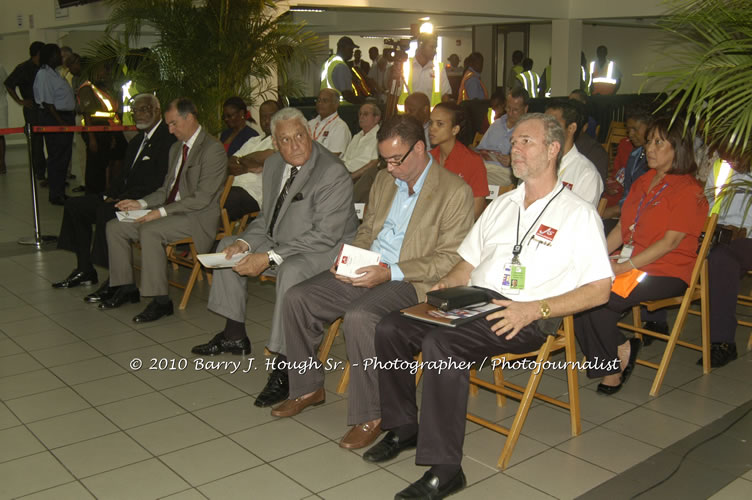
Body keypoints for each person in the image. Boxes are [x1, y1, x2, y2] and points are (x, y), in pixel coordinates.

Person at [366, 113, 613, 499]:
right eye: (513, 142)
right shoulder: (503, 204)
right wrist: (447, 284)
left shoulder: (577, 214)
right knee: (391, 327)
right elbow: (467, 262)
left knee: (441, 347)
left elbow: (600, 290)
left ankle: (445, 469)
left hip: (526, 313)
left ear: (553, 149)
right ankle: (403, 426)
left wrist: (535, 310)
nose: (515, 148)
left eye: (525, 142)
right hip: (475, 301)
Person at [270, 114, 474, 451]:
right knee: (298, 297)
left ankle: (373, 414)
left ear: (420, 149)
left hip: (410, 279)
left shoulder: (454, 191)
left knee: (361, 317)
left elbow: (448, 259)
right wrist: (353, 259)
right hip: (371, 268)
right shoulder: (383, 182)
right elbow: (367, 231)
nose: (390, 168)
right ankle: (307, 386)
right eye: (386, 160)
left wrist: (389, 272)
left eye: (397, 160)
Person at [190, 107, 359, 409]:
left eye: (300, 136)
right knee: (228, 243)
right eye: (285, 140)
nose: (295, 145)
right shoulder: (272, 166)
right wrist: (245, 242)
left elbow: (324, 236)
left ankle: (284, 365)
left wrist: (267, 258)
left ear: (311, 134)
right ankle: (234, 334)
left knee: (291, 271)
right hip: (283, 237)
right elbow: (269, 218)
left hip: (325, 250)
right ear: (275, 144)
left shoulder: (331, 171)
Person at [576, 118, 708, 395]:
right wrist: (598, 257)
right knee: (576, 288)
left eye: (659, 142)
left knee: (600, 300)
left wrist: (626, 266)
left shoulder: (689, 190)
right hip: (632, 261)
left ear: (678, 148)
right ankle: (619, 346)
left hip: (666, 270)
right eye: (649, 141)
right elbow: (625, 229)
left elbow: (671, 242)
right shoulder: (644, 181)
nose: (649, 148)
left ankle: (611, 366)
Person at [101, 98, 227, 323]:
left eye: (173, 124)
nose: (170, 129)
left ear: (189, 118)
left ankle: (160, 301)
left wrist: (159, 213)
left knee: (150, 230)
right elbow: (165, 189)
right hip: (171, 211)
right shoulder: (176, 148)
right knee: (115, 226)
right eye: (168, 124)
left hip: (196, 217)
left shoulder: (212, 149)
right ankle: (125, 286)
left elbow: (202, 198)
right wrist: (139, 203)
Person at [52, 94, 174, 296]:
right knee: (75, 206)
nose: (138, 115)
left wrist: (125, 199)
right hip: (123, 196)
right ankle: (85, 268)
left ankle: (116, 279)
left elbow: (159, 183)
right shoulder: (136, 142)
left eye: (143, 109)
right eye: (134, 111)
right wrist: (108, 194)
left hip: (146, 202)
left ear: (156, 110)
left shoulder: (167, 140)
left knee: (105, 213)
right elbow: (123, 175)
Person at [703, 151, 752, 367]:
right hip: (720, 235)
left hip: (747, 238)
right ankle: (653, 322)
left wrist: (744, 230)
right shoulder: (721, 167)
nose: (731, 157)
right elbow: (707, 205)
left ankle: (722, 341)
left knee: (721, 260)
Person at [428, 102, 489, 219]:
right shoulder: (427, 159)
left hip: (462, 227)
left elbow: (476, 211)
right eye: (431, 123)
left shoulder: (472, 161)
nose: (432, 129)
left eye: (439, 124)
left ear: (455, 130)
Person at [33, 43, 76, 205]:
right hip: (55, 118)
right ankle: (55, 194)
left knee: (64, 157)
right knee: (57, 157)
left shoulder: (55, 73)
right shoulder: (44, 74)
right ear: (51, 56)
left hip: (63, 117)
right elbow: (48, 102)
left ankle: (59, 191)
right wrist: (61, 123)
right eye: (58, 54)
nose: (60, 57)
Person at [225, 100, 280, 220]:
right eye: (263, 117)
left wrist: (242, 160)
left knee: (221, 203)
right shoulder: (253, 140)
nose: (266, 120)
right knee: (208, 197)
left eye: (271, 116)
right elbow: (230, 162)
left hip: (253, 194)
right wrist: (248, 163)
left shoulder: (281, 140)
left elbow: (267, 156)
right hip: (232, 187)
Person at [544, 99, 603, 206]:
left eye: (552, 125)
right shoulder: (535, 162)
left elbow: (581, 218)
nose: (546, 130)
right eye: (544, 124)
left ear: (571, 128)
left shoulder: (586, 173)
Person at [5, 41, 46, 181]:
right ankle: (39, 171)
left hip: (47, 107)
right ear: (38, 53)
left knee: (50, 139)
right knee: (36, 142)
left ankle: (49, 170)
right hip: (32, 108)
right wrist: (20, 101)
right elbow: (9, 84)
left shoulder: (45, 67)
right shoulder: (23, 68)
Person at [602, 105, 652, 221]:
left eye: (635, 129)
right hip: (627, 213)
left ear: (650, 127)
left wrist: (614, 211)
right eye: (628, 130)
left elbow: (642, 199)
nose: (630, 134)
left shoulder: (656, 161)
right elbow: (627, 193)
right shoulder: (635, 155)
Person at [476, 87, 529, 186]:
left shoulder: (529, 130)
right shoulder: (497, 124)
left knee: (472, 177)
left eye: (515, 110)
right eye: (508, 108)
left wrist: (512, 161)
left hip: (505, 172)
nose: (510, 113)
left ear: (525, 109)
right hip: (484, 166)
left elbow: (532, 162)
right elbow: (480, 149)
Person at [397, 34, 452, 110]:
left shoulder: (439, 68)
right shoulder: (405, 66)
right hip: (407, 117)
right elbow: (394, 93)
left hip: (430, 118)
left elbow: (445, 95)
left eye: (435, 47)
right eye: (432, 47)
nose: (435, 51)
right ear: (421, 45)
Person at [342, 102, 381, 181]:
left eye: (365, 114)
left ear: (376, 118)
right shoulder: (356, 136)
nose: (361, 117)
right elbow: (345, 159)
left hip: (362, 178)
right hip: (345, 174)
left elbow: (374, 163)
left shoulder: (380, 136)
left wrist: (351, 177)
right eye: (360, 114)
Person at [308, 88, 352, 156]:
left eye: (325, 101)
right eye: (318, 100)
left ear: (336, 104)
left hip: (325, 165)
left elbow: (334, 157)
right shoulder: (309, 124)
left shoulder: (340, 127)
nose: (320, 103)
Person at [321, 36, 358, 103]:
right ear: (342, 48)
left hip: (327, 104)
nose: (352, 52)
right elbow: (346, 93)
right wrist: (360, 102)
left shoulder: (329, 62)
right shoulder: (341, 66)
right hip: (340, 106)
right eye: (350, 49)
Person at [0, 64, 7, 174]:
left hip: (0, 104)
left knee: (0, 134)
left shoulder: (0, 67)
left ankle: (1, 163)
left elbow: (6, 85)